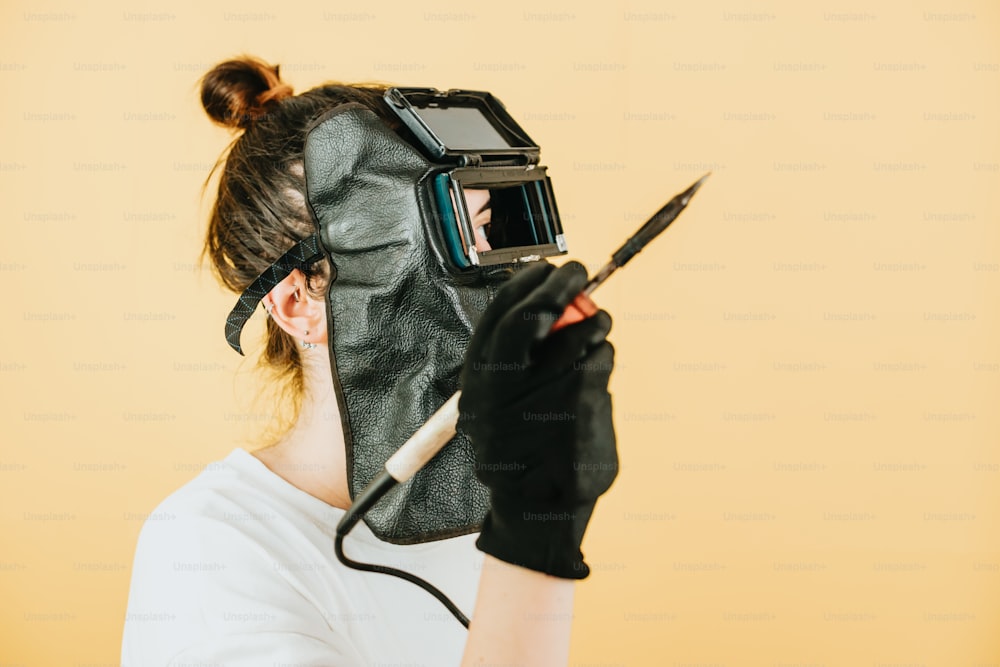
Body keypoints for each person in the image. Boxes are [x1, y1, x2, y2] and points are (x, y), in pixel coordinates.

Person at [121, 56, 618, 666]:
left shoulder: (477, 510)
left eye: (495, 240)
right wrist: (536, 532)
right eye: (449, 244)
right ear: (299, 302)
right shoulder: (210, 550)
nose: (497, 286)